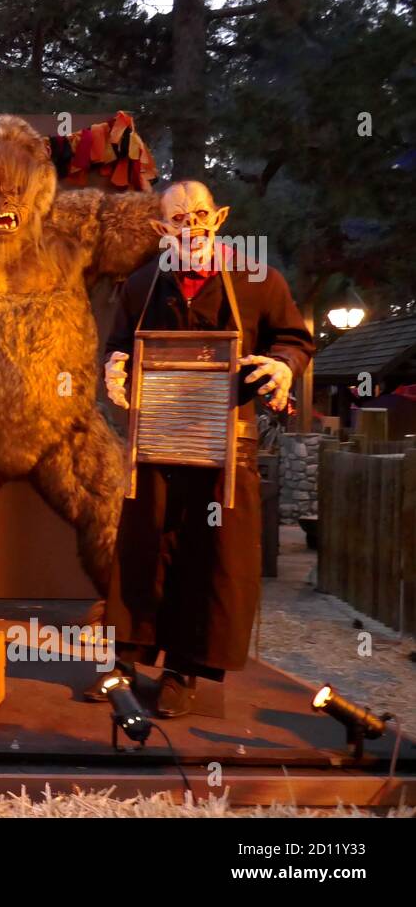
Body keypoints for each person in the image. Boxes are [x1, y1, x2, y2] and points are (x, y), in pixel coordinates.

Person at [93, 180, 314, 716]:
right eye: (177, 218)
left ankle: (181, 673)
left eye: (199, 215)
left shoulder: (258, 279)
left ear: (218, 218)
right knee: (141, 551)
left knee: (207, 558)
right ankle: (124, 662)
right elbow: (119, 346)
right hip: (154, 444)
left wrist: (282, 365)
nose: (190, 226)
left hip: (224, 447)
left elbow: (293, 338)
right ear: (161, 229)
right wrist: (115, 369)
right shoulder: (142, 285)